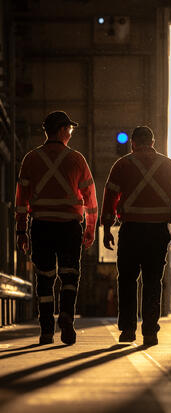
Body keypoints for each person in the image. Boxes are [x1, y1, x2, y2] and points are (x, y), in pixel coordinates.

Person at [15, 111, 98, 345]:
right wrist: (91, 227)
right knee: (70, 274)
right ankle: (67, 316)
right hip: (70, 227)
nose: (71, 133)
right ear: (62, 130)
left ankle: (46, 331)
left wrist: (21, 231)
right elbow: (90, 198)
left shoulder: (31, 159)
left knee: (44, 278)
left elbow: (21, 201)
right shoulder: (77, 159)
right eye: (69, 129)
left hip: (41, 226)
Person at [101, 126, 171, 346]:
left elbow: (110, 196)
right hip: (158, 231)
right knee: (152, 281)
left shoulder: (122, 165)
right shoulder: (168, 165)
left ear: (133, 143)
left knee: (127, 280)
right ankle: (150, 331)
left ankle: (128, 330)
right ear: (153, 142)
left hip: (131, 230)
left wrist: (108, 227)